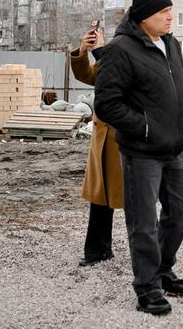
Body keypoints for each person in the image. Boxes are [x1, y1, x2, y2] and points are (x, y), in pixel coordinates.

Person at [95, 0, 183, 316]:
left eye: (170, 10)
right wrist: (146, 128)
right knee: (144, 223)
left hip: (175, 148)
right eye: (163, 12)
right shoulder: (120, 50)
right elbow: (107, 104)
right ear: (143, 18)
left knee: (179, 214)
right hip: (142, 152)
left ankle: (164, 270)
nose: (170, 16)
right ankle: (147, 287)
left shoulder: (171, 44)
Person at [70, 26, 123, 267]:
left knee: (133, 198)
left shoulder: (125, 55)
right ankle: (97, 251)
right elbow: (88, 76)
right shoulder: (110, 56)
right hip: (103, 137)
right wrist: (83, 50)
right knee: (100, 196)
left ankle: (151, 256)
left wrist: (101, 50)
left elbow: (119, 79)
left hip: (122, 137)